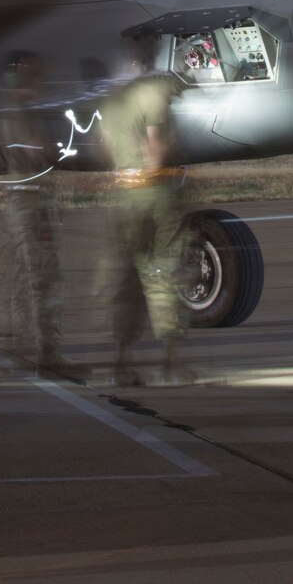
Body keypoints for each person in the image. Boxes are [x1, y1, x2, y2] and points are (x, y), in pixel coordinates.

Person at [97, 36, 191, 387]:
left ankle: (121, 363)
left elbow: (105, 151)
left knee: (126, 281)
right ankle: (171, 364)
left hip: (124, 194)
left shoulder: (112, 98)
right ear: (152, 54)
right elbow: (156, 153)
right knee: (164, 274)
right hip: (154, 193)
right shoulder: (154, 92)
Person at [0, 50, 82, 379]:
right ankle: (49, 353)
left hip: (13, 199)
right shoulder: (20, 112)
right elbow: (36, 150)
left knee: (16, 277)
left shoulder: (1, 109)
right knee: (45, 278)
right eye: (35, 72)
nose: (41, 79)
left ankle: (19, 347)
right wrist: (60, 147)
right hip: (32, 201)